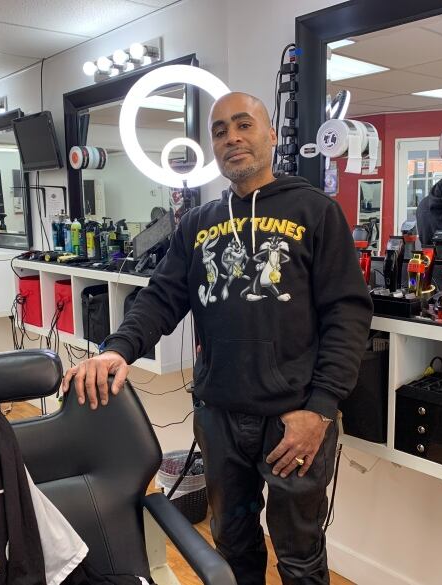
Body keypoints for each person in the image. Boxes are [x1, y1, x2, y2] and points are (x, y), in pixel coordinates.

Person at [62, 92, 372, 585]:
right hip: (220, 415)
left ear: (270, 135)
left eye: (244, 124)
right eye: (221, 130)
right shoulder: (198, 222)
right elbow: (162, 297)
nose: (232, 138)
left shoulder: (315, 211)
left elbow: (348, 315)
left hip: (293, 417)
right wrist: (118, 349)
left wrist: (320, 409)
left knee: (298, 552)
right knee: (232, 543)